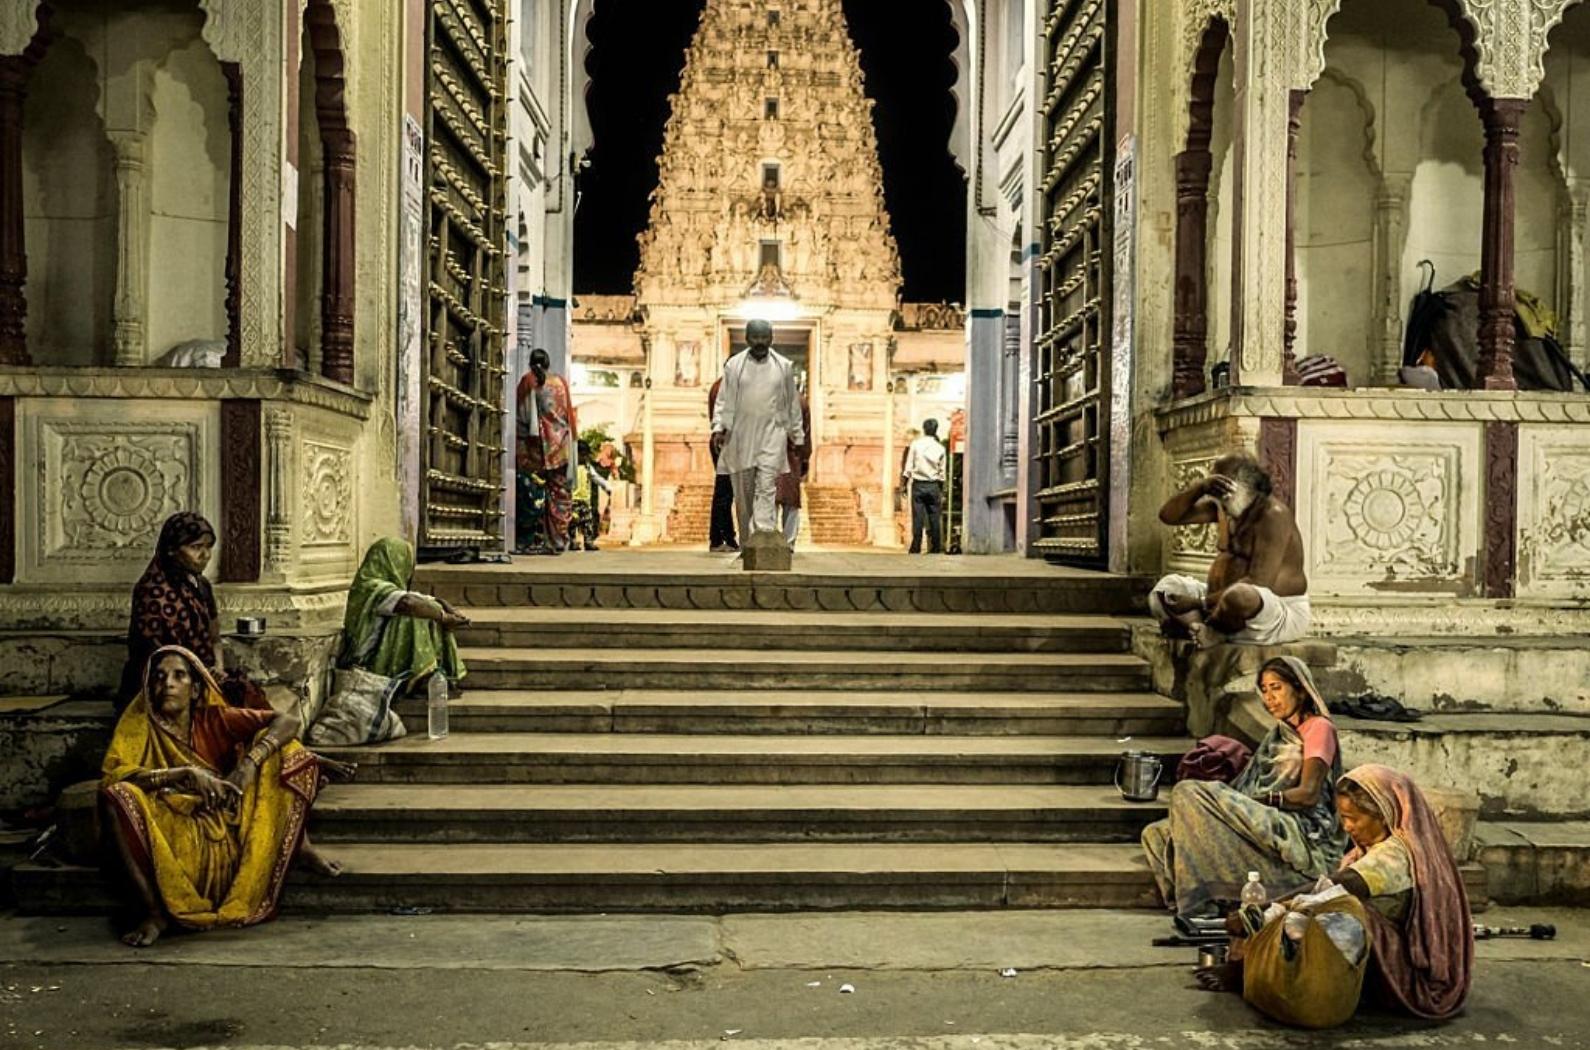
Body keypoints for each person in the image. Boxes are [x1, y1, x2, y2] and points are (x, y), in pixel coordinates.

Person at [100, 645, 346, 947]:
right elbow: (114, 774)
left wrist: (248, 764)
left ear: (195, 690)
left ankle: (300, 846)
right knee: (118, 795)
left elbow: (289, 722)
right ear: (149, 688)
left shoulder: (214, 720)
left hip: (225, 819)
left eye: (179, 676)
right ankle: (154, 914)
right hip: (172, 825)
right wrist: (184, 774)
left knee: (287, 751)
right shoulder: (138, 725)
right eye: (159, 677)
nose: (168, 684)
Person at [1197, 764, 1473, 1027]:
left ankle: (1255, 974)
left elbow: (1337, 887)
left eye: (1353, 818)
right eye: (1343, 818)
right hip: (1379, 955)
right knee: (1308, 911)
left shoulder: (1396, 855)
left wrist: (1260, 914)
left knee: (1333, 910)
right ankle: (1255, 971)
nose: (1347, 827)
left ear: (1385, 814)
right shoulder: (1366, 852)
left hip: (1402, 968)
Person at [1140, 656, 1348, 919]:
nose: (1269, 698)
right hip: (1263, 812)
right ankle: (1215, 898)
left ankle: (1198, 908)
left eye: (1277, 687)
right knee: (1156, 834)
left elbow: (1308, 794)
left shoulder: (1318, 728)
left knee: (1187, 791)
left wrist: (1257, 802)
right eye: (1264, 689)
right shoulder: (1280, 732)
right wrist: (1238, 804)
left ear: (1300, 689)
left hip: (1297, 825)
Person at [1152, 452, 1309, 648]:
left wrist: (1198, 603)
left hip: (1272, 613)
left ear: (1244, 486)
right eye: (1213, 484)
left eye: (1221, 485)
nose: (1214, 491)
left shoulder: (1272, 515)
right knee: (1166, 588)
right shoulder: (1223, 507)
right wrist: (1200, 487)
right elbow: (1169, 516)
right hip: (1220, 606)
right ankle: (1206, 629)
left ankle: (1211, 630)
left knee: (1240, 595)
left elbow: (1259, 583)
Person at [118, 513, 267, 713]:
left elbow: (215, 639)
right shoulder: (152, 593)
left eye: (208, 547)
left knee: (252, 702)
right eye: (196, 547)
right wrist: (197, 676)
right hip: (163, 682)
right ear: (171, 550)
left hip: (202, 675)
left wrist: (218, 668)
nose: (205, 555)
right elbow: (154, 656)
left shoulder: (201, 586)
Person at [712, 319, 805, 543]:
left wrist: (797, 435)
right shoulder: (734, 366)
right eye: (756, 337)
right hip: (740, 438)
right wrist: (718, 428)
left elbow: (792, 403)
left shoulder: (783, 366)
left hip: (772, 436)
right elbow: (724, 400)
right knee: (743, 496)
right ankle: (747, 542)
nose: (760, 342)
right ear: (747, 339)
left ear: (772, 338)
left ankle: (764, 537)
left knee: (767, 487)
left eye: (765, 337)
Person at [339, 538, 469, 693]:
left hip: (380, 656)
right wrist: (444, 617)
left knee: (428, 608)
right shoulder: (371, 586)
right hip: (366, 662)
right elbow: (407, 603)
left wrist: (444, 605)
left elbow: (417, 598)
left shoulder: (380, 585)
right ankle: (417, 676)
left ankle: (431, 674)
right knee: (412, 616)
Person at [516, 347, 578, 554]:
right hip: (561, 446)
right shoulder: (559, 382)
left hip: (537, 447)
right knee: (559, 494)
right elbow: (568, 415)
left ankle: (533, 539)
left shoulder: (528, 381)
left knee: (529, 490)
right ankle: (559, 540)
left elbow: (523, 416)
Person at [902, 419, 947, 554]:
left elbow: (908, 467)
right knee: (934, 517)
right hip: (933, 485)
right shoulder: (940, 448)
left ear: (924, 429)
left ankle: (916, 546)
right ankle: (936, 547)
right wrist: (941, 490)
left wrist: (903, 485)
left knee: (918, 517)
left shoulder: (916, 445)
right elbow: (942, 472)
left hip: (918, 485)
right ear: (936, 430)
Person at [775, 392, 813, 551]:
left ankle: (767, 538)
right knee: (791, 503)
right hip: (792, 458)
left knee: (769, 501)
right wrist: (804, 458)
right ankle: (789, 542)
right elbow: (805, 434)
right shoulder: (800, 401)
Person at [706, 373, 738, 552]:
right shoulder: (726, 386)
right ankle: (723, 537)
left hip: (722, 441)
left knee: (723, 492)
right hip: (727, 442)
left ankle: (720, 537)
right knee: (725, 492)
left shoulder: (718, 385)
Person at [569, 440, 611, 552]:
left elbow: (596, 478)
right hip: (572, 500)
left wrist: (607, 487)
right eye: (582, 455)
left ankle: (588, 541)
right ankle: (571, 541)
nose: (584, 458)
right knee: (572, 522)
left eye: (585, 455)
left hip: (585, 500)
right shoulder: (571, 467)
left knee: (587, 522)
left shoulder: (588, 467)